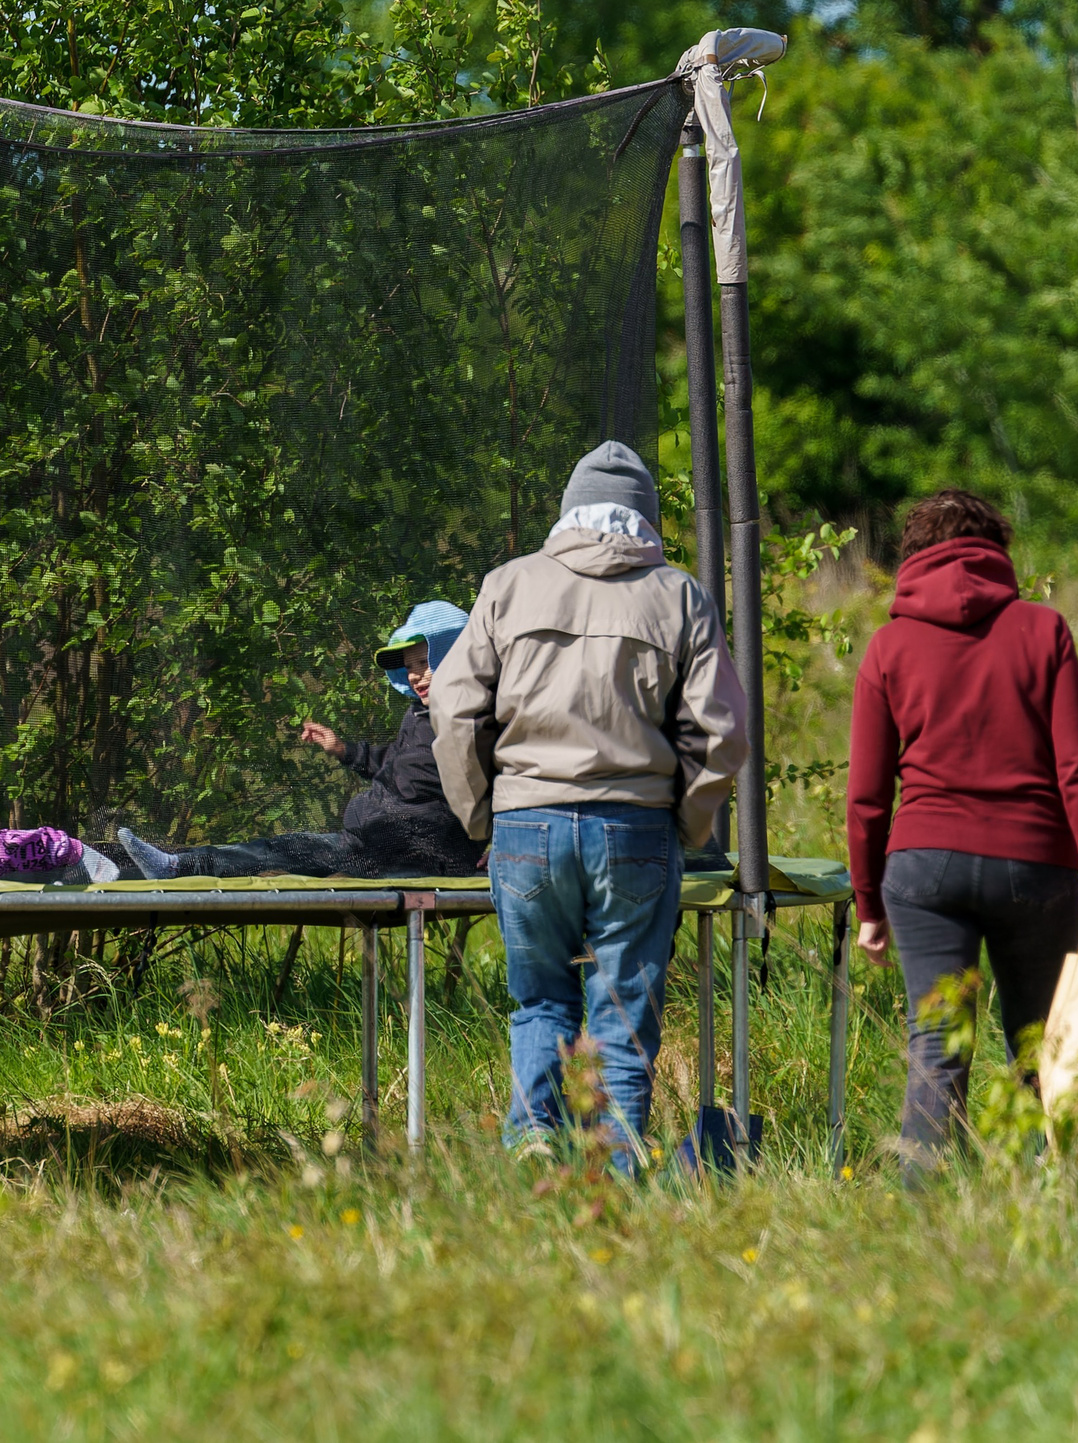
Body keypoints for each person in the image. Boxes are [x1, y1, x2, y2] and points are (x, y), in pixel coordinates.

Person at [432, 441, 749, 1170]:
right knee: (621, 1020)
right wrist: (686, 823)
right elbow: (723, 731)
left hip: (525, 824)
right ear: (647, 518)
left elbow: (452, 713)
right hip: (635, 828)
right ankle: (612, 1172)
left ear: (569, 509)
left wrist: (484, 815)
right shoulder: (677, 595)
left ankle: (537, 1137)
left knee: (541, 1000)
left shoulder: (509, 586)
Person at [846, 488, 1078, 1171]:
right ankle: (1044, 1203)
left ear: (913, 558)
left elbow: (866, 796)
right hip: (1036, 865)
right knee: (1041, 1047)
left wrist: (869, 906)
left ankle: (925, 1221)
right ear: (996, 550)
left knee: (937, 1049)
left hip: (924, 868)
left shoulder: (889, 645)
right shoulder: (1043, 629)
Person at [112, 600, 484, 880]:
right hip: (385, 841)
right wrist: (345, 750)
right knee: (288, 847)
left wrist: (498, 842)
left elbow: (505, 776)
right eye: (411, 666)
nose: (416, 675)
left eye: (425, 662)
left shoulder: (475, 717)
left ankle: (179, 866)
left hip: (416, 853)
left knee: (288, 850)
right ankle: (181, 864)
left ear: (454, 654)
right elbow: (404, 768)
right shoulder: (421, 714)